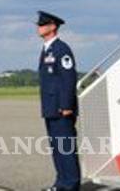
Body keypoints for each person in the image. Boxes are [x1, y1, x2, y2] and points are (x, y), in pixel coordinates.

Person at [36, 11, 80, 191]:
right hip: (51, 107)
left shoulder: (61, 49)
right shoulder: (47, 49)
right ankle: (61, 183)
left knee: (65, 147)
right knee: (57, 148)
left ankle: (71, 185)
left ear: (53, 26)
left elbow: (68, 78)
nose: (39, 27)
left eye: (42, 24)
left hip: (62, 108)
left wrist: (67, 105)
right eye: (38, 25)